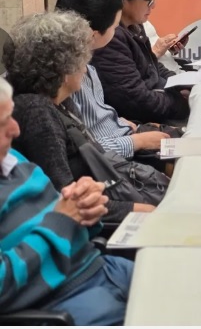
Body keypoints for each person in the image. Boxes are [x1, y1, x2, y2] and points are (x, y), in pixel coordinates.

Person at [0, 74, 132, 325]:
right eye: (4, 122)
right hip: (60, 301)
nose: (15, 130)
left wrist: (86, 209)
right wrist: (62, 220)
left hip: (102, 267)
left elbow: (67, 225)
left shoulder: (16, 162)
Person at [5, 12, 156, 222]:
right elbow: (64, 197)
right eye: (82, 60)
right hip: (91, 221)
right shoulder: (37, 112)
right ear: (65, 69)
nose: (85, 69)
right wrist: (134, 209)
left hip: (103, 200)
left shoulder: (59, 101)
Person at [54, 0, 180, 168]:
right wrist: (137, 141)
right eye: (114, 28)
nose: (117, 32)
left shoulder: (87, 63)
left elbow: (98, 111)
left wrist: (119, 122)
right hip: (118, 155)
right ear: (93, 34)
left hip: (123, 133)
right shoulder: (69, 77)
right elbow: (81, 148)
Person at [92, 0, 190, 124]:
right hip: (140, 122)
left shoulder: (133, 24)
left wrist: (182, 84)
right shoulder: (109, 38)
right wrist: (182, 103)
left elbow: (152, 67)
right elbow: (136, 100)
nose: (152, 5)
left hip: (158, 105)